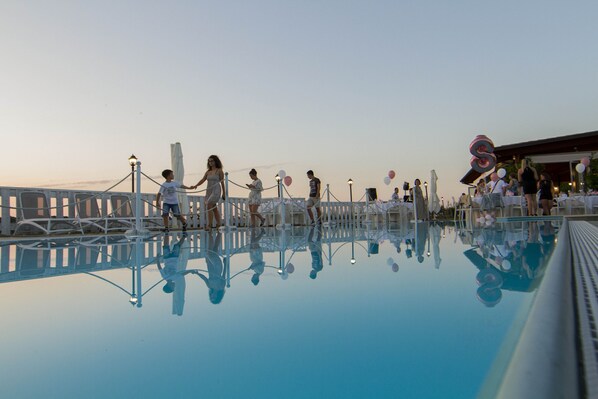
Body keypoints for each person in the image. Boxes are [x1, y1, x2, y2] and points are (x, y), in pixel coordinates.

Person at [193, 155, 226, 230]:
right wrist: (196, 185)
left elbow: (222, 182)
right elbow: (203, 180)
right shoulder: (208, 172)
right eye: (209, 161)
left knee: (209, 205)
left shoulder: (219, 171)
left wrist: (224, 193)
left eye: (212, 161)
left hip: (216, 190)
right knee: (214, 208)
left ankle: (209, 225)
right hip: (209, 190)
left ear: (215, 161)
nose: (210, 162)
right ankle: (219, 223)